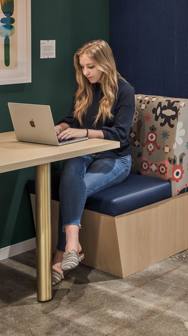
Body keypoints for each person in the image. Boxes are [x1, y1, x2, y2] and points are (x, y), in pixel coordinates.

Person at [51, 40, 135, 286]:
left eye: (90, 66)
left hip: (116, 158)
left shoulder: (124, 90)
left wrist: (84, 132)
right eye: (82, 67)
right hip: (86, 153)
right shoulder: (84, 88)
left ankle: (61, 255)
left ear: (105, 63)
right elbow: (71, 119)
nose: (86, 72)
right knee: (71, 167)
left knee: (73, 188)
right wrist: (60, 127)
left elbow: (120, 135)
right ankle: (72, 245)